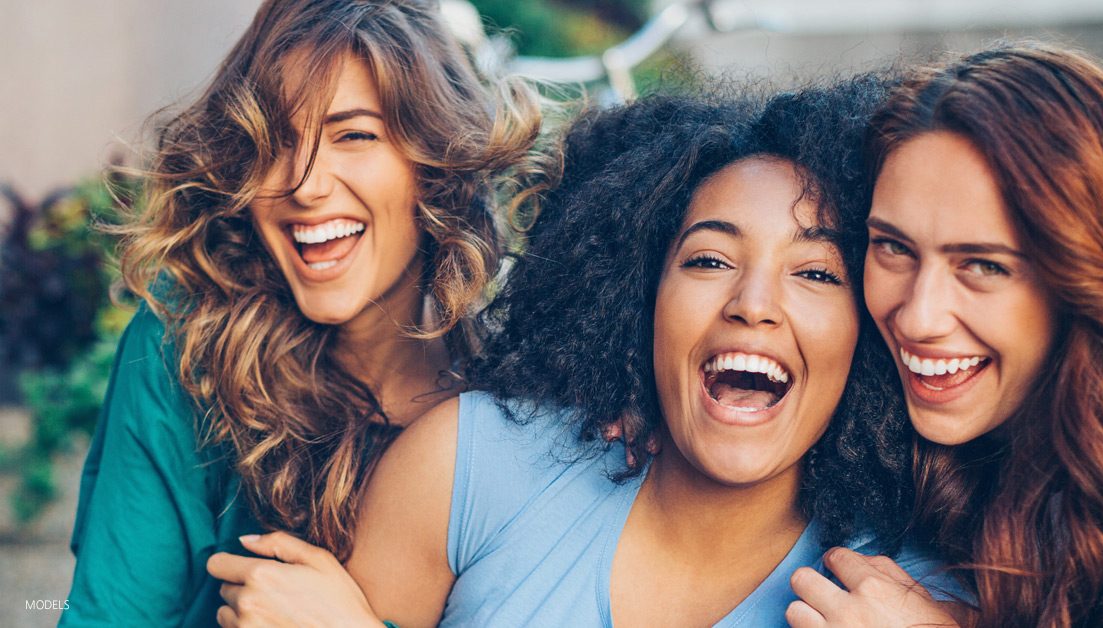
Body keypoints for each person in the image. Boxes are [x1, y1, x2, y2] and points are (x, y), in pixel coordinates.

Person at [207, 80, 966, 626]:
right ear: (638, 297)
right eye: (707, 260)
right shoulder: (472, 464)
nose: (753, 304)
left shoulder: (895, 604)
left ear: (869, 332)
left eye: (816, 273)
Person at [61, 0, 539, 625]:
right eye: (275, 141)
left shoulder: (524, 403)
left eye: (354, 135)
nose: (305, 185)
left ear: (435, 164)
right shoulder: (187, 349)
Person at [788, 43, 1103, 627]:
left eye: (983, 265)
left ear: (1092, 279)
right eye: (893, 247)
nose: (917, 318)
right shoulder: (876, 409)